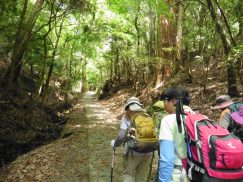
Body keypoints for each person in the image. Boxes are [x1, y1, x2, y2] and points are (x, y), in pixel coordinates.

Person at [111, 97, 152, 182]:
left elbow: (121, 136)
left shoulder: (126, 117)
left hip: (133, 151)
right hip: (148, 151)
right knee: (141, 177)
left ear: (128, 107)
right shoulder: (146, 115)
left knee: (128, 174)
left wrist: (115, 144)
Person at [158, 87, 191, 182]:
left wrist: (163, 180)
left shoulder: (168, 120)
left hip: (177, 175)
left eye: (165, 101)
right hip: (196, 173)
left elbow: (166, 159)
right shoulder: (201, 118)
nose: (164, 105)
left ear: (173, 101)